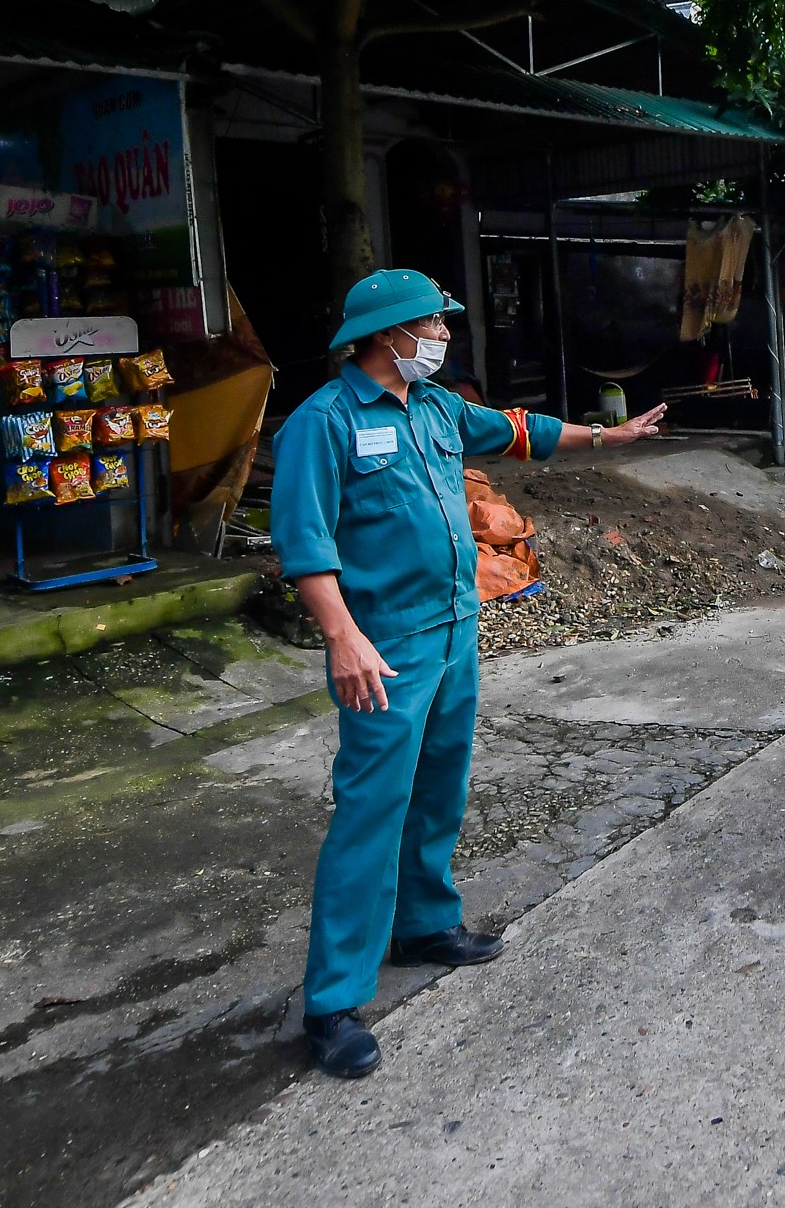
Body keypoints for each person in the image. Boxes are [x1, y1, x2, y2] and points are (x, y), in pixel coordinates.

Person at [273, 270, 666, 1079]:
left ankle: (424, 922)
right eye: (433, 324)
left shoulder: (439, 407)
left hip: (455, 629)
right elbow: (306, 547)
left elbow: (519, 431)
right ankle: (334, 1001)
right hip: (384, 644)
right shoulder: (325, 423)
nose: (444, 335)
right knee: (371, 808)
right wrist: (344, 639)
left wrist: (608, 439)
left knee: (441, 784)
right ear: (388, 334)